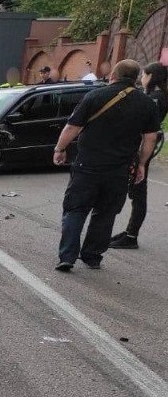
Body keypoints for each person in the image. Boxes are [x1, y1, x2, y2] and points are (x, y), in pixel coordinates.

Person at [52, 59, 161, 272]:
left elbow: (72, 127)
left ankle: (67, 256)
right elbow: (150, 139)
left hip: (87, 165)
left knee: (75, 209)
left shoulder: (95, 96)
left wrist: (59, 149)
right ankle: (92, 256)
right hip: (119, 170)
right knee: (106, 213)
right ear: (136, 78)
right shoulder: (147, 104)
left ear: (113, 75)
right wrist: (141, 164)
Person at [110, 61, 168, 249]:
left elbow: (148, 127)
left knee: (138, 191)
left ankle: (131, 235)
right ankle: (129, 232)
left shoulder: (156, 97)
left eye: (144, 75)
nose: (142, 79)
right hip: (143, 145)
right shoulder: (154, 95)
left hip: (144, 147)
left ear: (151, 76)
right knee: (137, 191)